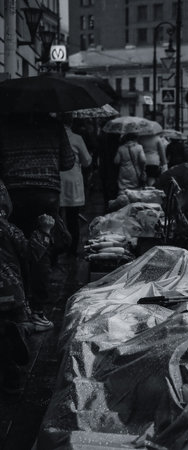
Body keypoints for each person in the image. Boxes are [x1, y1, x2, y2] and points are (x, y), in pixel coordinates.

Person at [0, 113, 74, 330]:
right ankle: (38, 311)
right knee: (41, 251)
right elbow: (68, 162)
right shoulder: (53, 125)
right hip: (46, 194)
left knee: (14, 251)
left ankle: (18, 307)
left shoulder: (5, 124)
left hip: (14, 195)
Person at [0, 180, 55, 392]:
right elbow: (32, 253)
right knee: (8, 330)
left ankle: (16, 333)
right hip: (10, 291)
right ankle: (19, 334)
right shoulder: (7, 228)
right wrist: (45, 230)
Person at [60, 118, 92, 257]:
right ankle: (72, 249)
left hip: (56, 181)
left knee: (57, 217)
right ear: (71, 123)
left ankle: (58, 247)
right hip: (73, 182)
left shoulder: (54, 137)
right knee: (73, 218)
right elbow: (86, 162)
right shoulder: (77, 138)